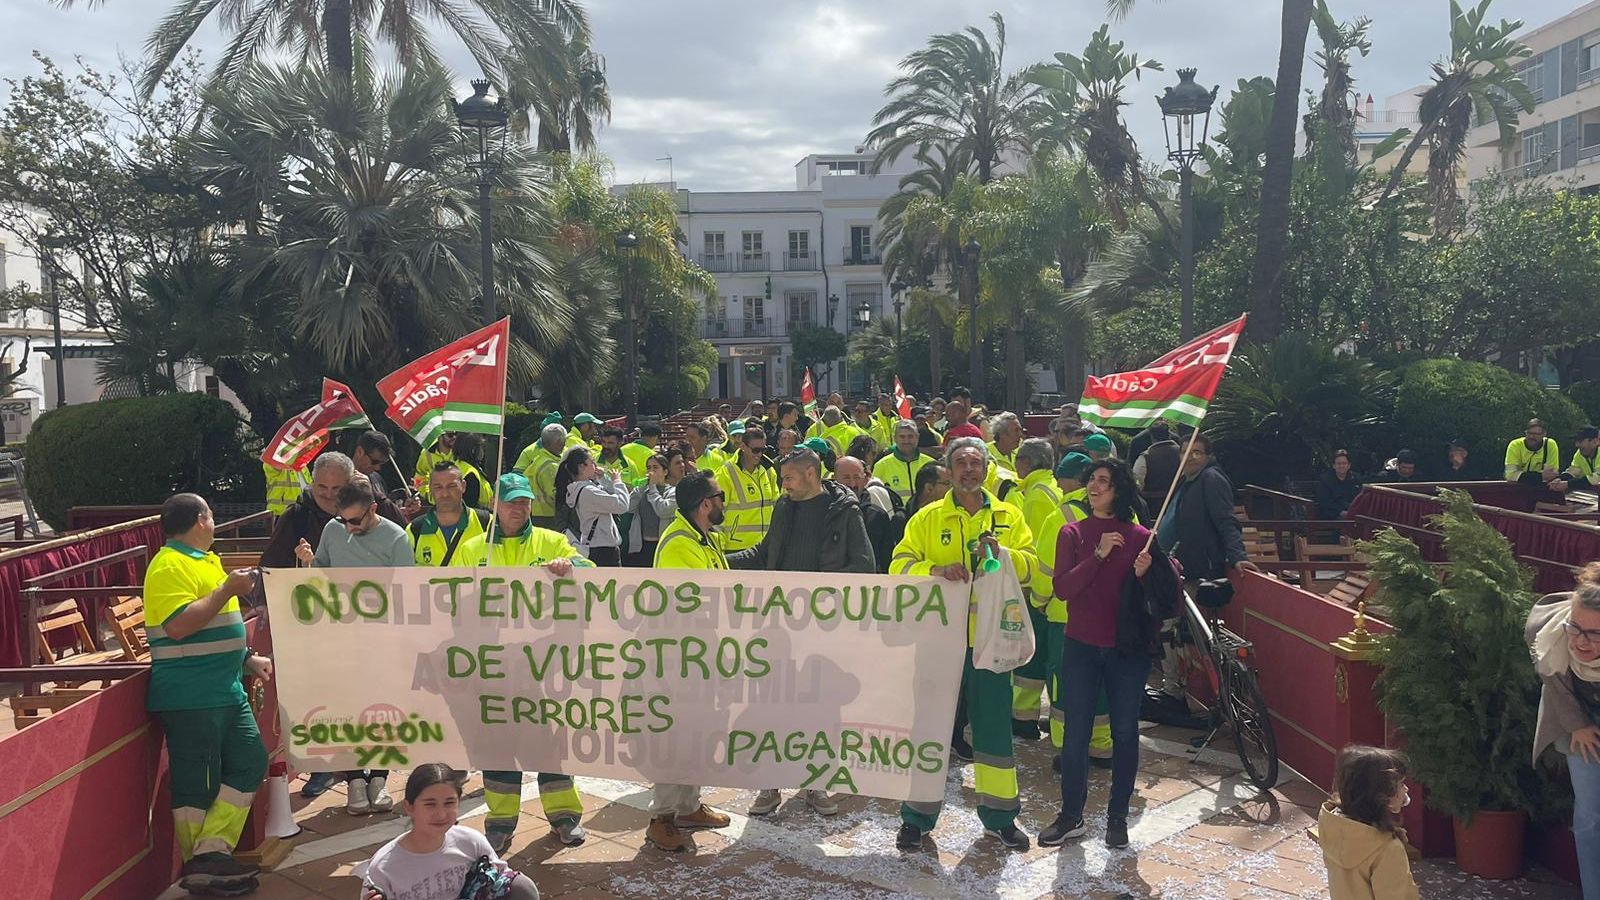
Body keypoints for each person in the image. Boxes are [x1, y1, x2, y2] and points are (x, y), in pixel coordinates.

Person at [892, 437, 1036, 853]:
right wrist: (933, 570)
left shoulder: (1009, 514)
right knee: (930, 730)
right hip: (938, 644)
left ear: (987, 468)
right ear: (949, 470)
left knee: (994, 732)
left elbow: (1030, 566)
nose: (969, 470)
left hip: (992, 643)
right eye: (961, 463)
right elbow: (899, 566)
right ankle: (916, 818)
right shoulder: (926, 517)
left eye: (976, 462)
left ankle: (1001, 818)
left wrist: (1004, 555)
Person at [1040, 459, 1180, 852]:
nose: (1094, 487)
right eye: (1091, 481)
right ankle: (1071, 816)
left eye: (1103, 481)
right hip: (1081, 646)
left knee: (1124, 733)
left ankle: (1117, 818)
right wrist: (1098, 555)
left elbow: (1167, 597)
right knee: (1075, 733)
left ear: (1119, 490)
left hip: (1126, 651)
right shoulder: (1072, 532)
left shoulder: (1142, 537)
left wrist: (1146, 573)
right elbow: (1064, 589)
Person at [729, 447, 873, 816]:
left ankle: (817, 783)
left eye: (789, 478)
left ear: (811, 474)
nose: (784, 486)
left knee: (822, 710)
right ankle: (770, 785)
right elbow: (765, 553)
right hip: (780, 628)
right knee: (772, 705)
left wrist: (816, 595)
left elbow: (863, 565)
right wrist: (716, 560)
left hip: (824, 630)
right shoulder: (783, 507)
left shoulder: (844, 511)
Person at [457, 473, 592, 853]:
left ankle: (565, 816)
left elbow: (594, 573)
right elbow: (451, 598)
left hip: (543, 664)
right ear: (495, 505)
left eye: (525, 501)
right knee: (498, 745)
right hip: (495, 666)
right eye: (512, 501)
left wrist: (571, 569)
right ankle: (499, 823)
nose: (519, 508)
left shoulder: (553, 542)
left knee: (549, 741)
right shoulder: (472, 549)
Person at [145, 493, 270, 896]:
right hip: (191, 694)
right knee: (196, 783)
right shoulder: (167, 565)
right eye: (212, 517)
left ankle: (210, 852)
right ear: (201, 520)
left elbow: (216, 625)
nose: (215, 524)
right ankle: (200, 869)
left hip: (226, 687)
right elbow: (180, 626)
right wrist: (226, 590)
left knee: (251, 760)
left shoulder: (205, 561)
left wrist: (247, 657)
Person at [296, 478, 413, 814]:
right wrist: (306, 561)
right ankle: (354, 781)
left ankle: (379, 778)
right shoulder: (334, 530)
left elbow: (407, 590)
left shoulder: (396, 537)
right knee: (344, 708)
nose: (348, 527)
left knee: (384, 708)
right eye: (342, 519)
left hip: (382, 638)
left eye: (355, 521)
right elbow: (319, 574)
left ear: (373, 509)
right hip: (341, 637)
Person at [647, 471, 736, 851]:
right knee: (676, 735)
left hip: (704, 656)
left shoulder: (703, 538)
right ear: (705, 504)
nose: (723, 502)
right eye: (719, 496)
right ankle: (661, 817)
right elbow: (696, 603)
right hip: (681, 660)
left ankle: (687, 806)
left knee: (697, 732)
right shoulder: (679, 545)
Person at [1155, 433, 1256, 711]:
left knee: (1180, 633)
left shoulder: (1210, 480)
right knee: (1173, 632)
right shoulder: (1188, 482)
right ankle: (1175, 688)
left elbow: (1227, 521)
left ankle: (1178, 691)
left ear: (1207, 456)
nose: (1190, 457)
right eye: (1185, 452)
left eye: (1196, 452)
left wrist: (1238, 557)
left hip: (1200, 572)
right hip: (1181, 568)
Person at [1031, 452, 1113, 767]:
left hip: (1066, 618)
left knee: (1065, 685)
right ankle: (1102, 747)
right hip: (1109, 618)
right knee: (1102, 683)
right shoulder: (1126, 513)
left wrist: (1038, 602)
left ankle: (1070, 750)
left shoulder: (1061, 515)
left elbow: (1045, 571)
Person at [359, 764, 540, 900]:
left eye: (449, 803)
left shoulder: (471, 842)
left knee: (521, 888)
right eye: (430, 804)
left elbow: (503, 883)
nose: (441, 813)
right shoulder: (383, 868)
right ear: (409, 807)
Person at [1529, 563, 1600, 899]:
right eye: (1576, 628)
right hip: (1581, 728)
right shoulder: (1553, 631)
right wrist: (1578, 725)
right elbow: (1553, 680)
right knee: (1589, 818)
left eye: (1594, 633)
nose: (1580, 642)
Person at [262, 452, 404, 572]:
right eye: (322, 487)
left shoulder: (374, 509)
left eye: (337, 488)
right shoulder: (296, 517)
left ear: (351, 484)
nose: (329, 494)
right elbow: (269, 568)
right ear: (312, 482)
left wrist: (368, 495)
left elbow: (403, 536)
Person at [1318, 746, 1420, 900]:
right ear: (1381, 797)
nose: (1405, 789)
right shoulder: (1387, 849)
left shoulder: (1332, 825)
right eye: (1400, 784)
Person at [1010, 439, 1061, 741]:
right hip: (1048, 591)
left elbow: (1038, 550)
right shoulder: (1047, 488)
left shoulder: (1036, 497)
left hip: (1037, 591)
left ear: (1027, 463)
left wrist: (1035, 591)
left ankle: (1024, 717)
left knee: (1031, 655)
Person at [555, 446, 631, 566]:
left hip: (593, 546)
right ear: (581, 466)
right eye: (592, 462)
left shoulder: (578, 489)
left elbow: (606, 495)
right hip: (603, 549)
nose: (595, 466)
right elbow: (622, 505)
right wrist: (617, 481)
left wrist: (602, 479)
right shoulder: (588, 491)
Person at [406, 462, 490, 567]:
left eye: (452, 486)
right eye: (438, 487)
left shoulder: (488, 523)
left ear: (463, 486)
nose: (445, 494)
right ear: (430, 489)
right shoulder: (414, 530)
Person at [835, 455, 903, 573]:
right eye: (846, 477)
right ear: (835, 478)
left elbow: (886, 561)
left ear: (865, 479)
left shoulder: (878, 516)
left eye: (857, 477)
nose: (852, 484)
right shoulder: (822, 511)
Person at [719, 422, 779, 552]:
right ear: (743, 446)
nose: (759, 454)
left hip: (765, 546)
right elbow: (717, 512)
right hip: (736, 548)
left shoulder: (769, 471)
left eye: (763, 450)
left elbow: (776, 507)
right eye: (755, 450)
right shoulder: (726, 473)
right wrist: (720, 547)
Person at [625, 453, 677, 566]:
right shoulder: (643, 491)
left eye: (655, 468)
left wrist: (653, 489)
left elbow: (663, 510)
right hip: (642, 545)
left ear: (665, 472)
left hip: (662, 544)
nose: (651, 472)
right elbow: (628, 507)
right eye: (649, 468)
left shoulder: (673, 492)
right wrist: (642, 487)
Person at [514, 423, 569, 529]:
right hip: (548, 516)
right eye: (564, 441)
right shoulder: (550, 466)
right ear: (559, 442)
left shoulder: (539, 459)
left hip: (536, 513)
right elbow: (555, 494)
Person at [877, 420, 931, 508]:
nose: (906, 441)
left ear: (917, 437)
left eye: (910, 436)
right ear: (895, 439)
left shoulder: (929, 464)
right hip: (896, 518)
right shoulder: (881, 465)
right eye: (902, 437)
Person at [1506, 418, 1562, 488]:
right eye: (1529, 433)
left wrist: (1521, 475)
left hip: (1542, 489)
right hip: (1518, 488)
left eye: (1536, 434)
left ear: (1544, 434)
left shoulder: (1550, 445)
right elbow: (1510, 475)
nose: (1532, 437)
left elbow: (1552, 475)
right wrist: (1540, 476)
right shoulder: (1515, 445)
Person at [1316, 450, 1363, 521]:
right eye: (1338, 463)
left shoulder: (1356, 479)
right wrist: (1340, 512)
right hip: (1331, 514)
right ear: (1334, 466)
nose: (1341, 466)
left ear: (1349, 465)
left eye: (1344, 463)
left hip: (1353, 513)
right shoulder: (1325, 480)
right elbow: (1324, 502)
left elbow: (1360, 498)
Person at [413, 432, 456, 504]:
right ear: (439, 435)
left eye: (457, 434)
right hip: (436, 503)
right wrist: (427, 494)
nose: (454, 437)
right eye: (450, 435)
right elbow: (419, 476)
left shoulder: (460, 452)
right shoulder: (427, 453)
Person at [1561, 426, 1600, 493]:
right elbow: (1574, 471)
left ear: (1595, 442)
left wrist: (1567, 484)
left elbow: (1596, 478)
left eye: (1580, 441)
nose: (1577, 445)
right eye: (1576, 441)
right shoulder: (1579, 453)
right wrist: (1559, 480)